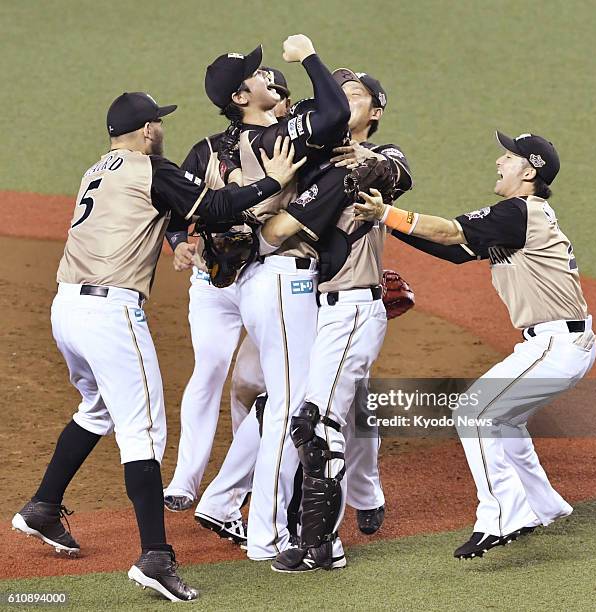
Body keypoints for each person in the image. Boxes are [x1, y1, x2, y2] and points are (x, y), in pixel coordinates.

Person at [10, 90, 301, 602]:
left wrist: (177, 241)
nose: (163, 130)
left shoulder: (97, 169)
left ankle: (43, 506)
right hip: (109, 314)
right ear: (147, 130)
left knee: (97, 407)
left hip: (67, 309)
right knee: (143, 431)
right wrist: (272, 182)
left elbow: (161, 215)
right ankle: (155, 557)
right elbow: (214, 204)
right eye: (159, 123)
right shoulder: (150, 166)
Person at [353, 131, 596, 560]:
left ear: (529, 170)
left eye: (508, 156)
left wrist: (387, 212)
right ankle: (542, 504)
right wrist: (382, 220)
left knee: (474, 412)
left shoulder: (520, 211)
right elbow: (456, 250)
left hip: (558, 343)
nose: (499, 162)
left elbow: (449, 232)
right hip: (557, 341)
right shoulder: (518, 217)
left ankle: (502, 515)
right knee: (504, 420)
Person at [196, 69, 413, 549]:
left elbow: (399, 173)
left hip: (344, 304)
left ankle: (356, 494)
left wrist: (365, 161)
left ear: (375, 112)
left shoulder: (383, 156)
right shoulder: (311, 162)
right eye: (337, 92)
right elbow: (272, 227)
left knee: (330, 404)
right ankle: (288, 525)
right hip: (303, 296)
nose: (341, 98)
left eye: (353, 94)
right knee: (302, 406)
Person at [162, 66, 295, 516]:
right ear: (242, 97)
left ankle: (254, 471)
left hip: (268, 277)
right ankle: (185, 480)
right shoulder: (205, 152)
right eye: (270, 87)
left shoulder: (294, 146)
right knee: (210, 368)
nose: (279, 96)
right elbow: (178, 213)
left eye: (282, 89)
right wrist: (180, 244)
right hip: (215, 281)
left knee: (254, 382)